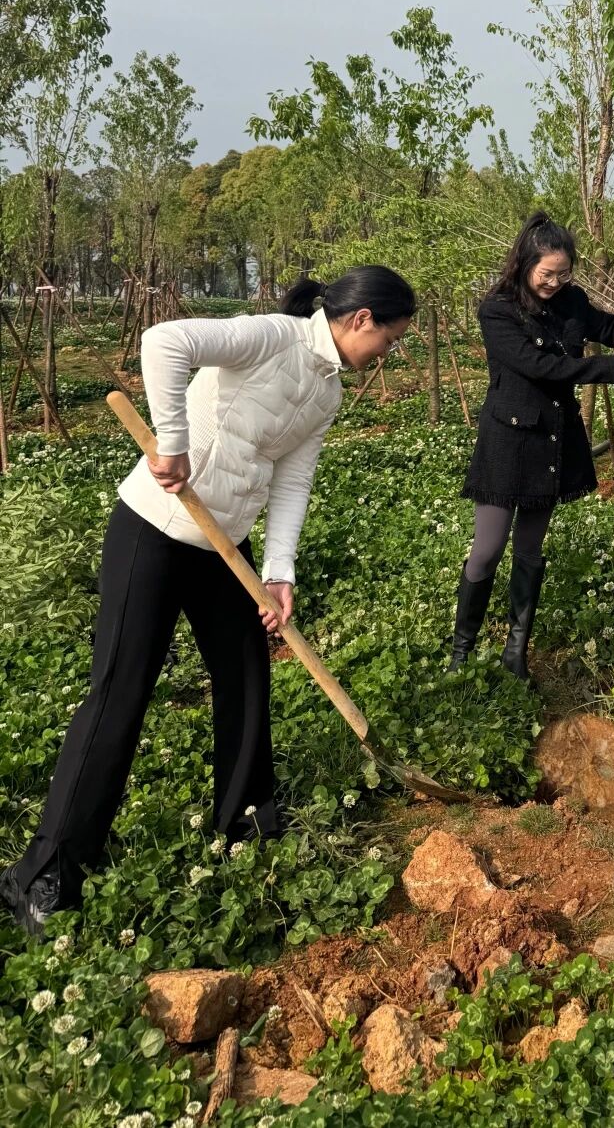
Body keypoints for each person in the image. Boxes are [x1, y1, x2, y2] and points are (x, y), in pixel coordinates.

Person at [0, 265, 416, 938]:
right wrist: (172, 442)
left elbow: (293, 478)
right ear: (362, 318)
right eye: (391, 338)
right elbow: (166, 342)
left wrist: (280, 571)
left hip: (225, 543)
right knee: (121, 690)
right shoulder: (273, 337)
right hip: (154, 530)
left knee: (247, 671)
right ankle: (45, 872)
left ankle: (247, 821)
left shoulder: (328, 392)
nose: (388, 353)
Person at [454, 213, 614, 681]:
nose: (555, 282)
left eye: (564, 274)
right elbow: (535, 365)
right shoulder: (498, 310)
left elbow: (611, 329)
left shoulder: (572, 300)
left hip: (552, 440)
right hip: (509, 440)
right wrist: (608, 369)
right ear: (525, 263)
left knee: (530, 549)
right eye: (547, 274)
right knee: (488, 548)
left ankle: (514, 653)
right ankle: (461, 652)